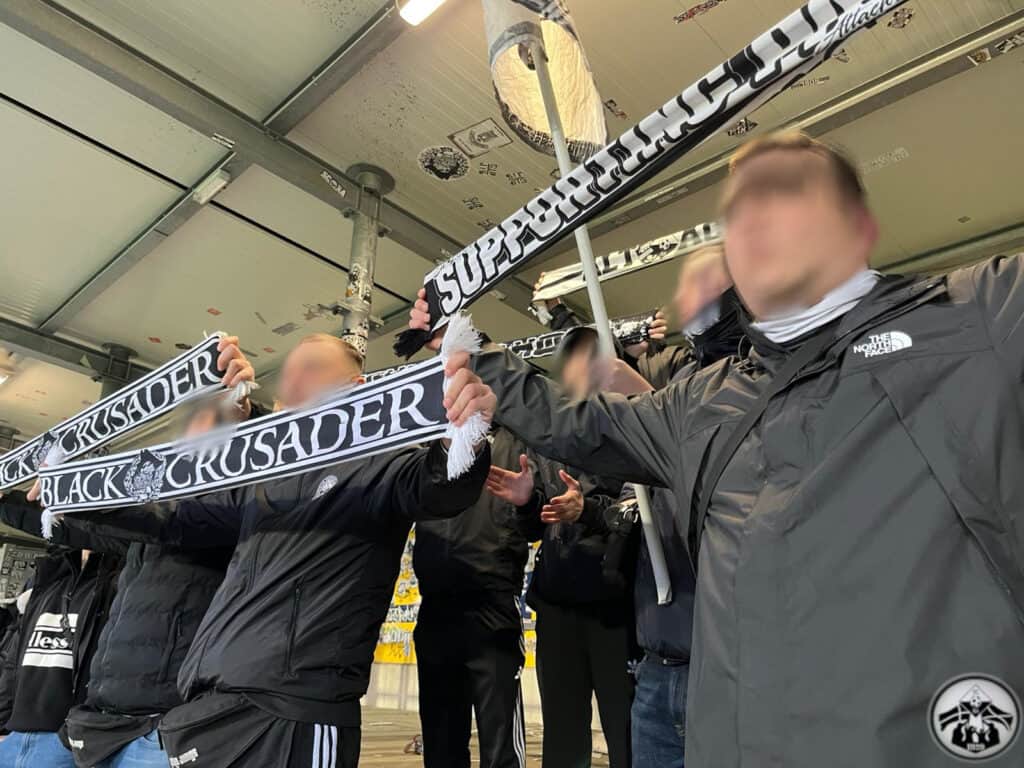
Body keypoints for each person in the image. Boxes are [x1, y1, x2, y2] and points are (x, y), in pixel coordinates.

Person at [413, 130, 1024, 766]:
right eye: (738, 214)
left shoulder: (979, 318)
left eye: (786, 193)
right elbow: (582, 422)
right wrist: (476, 357)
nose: (754, 219)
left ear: (857, 226)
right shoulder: (704, 401)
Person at [60, 332, 492, 768]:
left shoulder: (378, 462)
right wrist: (76, 492)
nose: (295, 381)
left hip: (296, 715)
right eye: (290, 372)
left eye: (314, 368)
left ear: (358, 388)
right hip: (215, 712)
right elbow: (173, 515)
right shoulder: (262, 482)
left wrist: (466, 434)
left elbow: (440, 483)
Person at [0, 392, 258, 767]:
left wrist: (249, 417)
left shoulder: (228, 510)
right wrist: (13, 499)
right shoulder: (144, 535)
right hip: (108, 720)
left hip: (164, 723)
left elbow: (172, 516)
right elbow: (71, 526)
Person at [486, 327, 631, 768]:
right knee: (563, 738)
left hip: (616, 608)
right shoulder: (545, 439)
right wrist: (526, 502)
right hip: (556, 607)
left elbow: (638, 513)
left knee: (626, 732)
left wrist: (586, 510)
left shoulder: (629, 424)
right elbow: (536, 527)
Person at [411, 424, 536, 768]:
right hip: (435, 605)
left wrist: (528, 503)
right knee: (441, 744)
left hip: (492, 601)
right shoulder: (429, 439)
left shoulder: (520, 437)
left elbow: (539, 520)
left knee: (500, 744)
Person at [0, 544, 121, 767]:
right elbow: (14, 659)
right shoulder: (48, 577)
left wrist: (76, 735)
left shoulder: (120, 582)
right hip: (15, 737)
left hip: (72, 741)